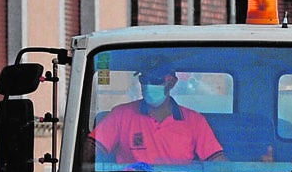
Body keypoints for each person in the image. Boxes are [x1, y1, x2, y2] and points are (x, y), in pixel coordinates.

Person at [85, 58, 228, 165]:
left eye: (155, 80)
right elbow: (89, 151)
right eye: (144, 79)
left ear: (171, 82)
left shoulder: (195, 122)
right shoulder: (120, 115)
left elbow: (217, 162)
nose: (148, 85)